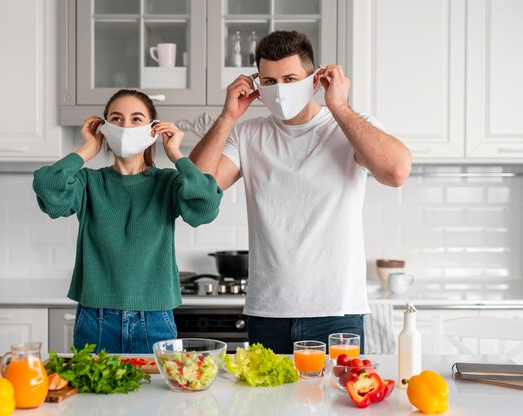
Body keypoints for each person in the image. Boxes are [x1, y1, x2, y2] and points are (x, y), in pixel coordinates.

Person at [189, 31, 412, 354]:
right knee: (269, 405)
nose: (279, 90)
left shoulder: (349, 127)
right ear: (257, 84)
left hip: (337, 313)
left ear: (314, 78)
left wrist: (340, 107)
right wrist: (227, 117)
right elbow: (196, 189)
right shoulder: (249, 134)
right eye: (269, 81)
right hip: (267, 312)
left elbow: (396, 172)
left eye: (290, 78)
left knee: (334, 405)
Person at [33, 90, 223, 354]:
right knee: (92, 395)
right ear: (105, 128)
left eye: (136, 119)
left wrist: (177, 155)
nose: (125, 127)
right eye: (117, 119)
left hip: (155, 318)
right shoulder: (88, 183)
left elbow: (206, 205)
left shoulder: (168, 183)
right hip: (95, 318)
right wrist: (88, 148)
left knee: (158, 396)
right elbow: (47, 186)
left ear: (152, 129)